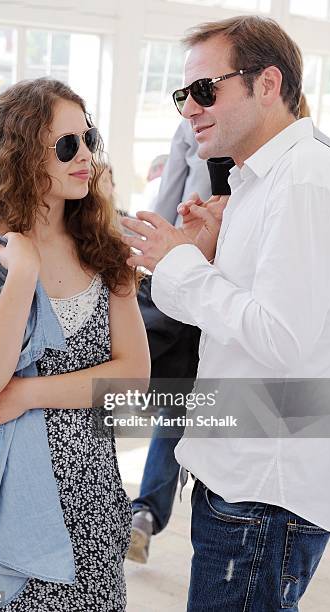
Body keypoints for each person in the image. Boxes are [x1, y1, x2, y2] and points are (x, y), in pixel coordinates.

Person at [121, 15, 330, 611]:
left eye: (205, 90)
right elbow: (239, 314)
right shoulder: (259, 182)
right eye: (182, 95)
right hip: (242, 475)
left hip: (263, 490)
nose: (189, 108)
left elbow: (281, 338)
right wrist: (204, 254)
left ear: (267, 84)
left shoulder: (302, 182)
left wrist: (179, 264)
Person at [0, 77, 150, 611]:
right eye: (65, 144)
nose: (85, 156)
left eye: (88, 139)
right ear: (23, 152)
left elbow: (134, 381)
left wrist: (25, 394)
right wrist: (23, 274)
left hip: (93, 493)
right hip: (7, 496)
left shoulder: (104, 248)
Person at [128, 122, 212, 563]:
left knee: (177, 405)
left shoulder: (192, 125)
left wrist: (147, 263)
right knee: (185, 407)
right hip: (215, 281)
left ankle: (143, 514)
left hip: (182, 274)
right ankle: (144, 513)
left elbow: (165, 205)